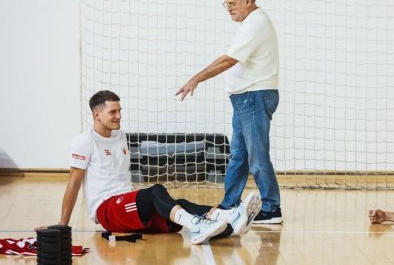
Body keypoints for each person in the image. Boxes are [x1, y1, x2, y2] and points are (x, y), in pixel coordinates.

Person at [59, 90, 262, 245]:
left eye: (120, 110)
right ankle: (198, 226)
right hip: (106, 210)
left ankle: (230, 220)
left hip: (126, 204)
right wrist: (62, 226)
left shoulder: (120, 136)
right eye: (113, 112)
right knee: (156, 191)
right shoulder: (83, 142)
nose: (119, 116)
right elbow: (74, 183)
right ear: (96, 115)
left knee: (178, 205)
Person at [176, 0, 282, 224]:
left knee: (257, 156)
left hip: (254, 97)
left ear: (248, 1)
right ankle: (230, 203)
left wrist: (196, 79)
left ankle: (272, 208)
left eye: (232, 4)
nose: (229, 8)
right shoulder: (250, 23)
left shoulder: (256, 23)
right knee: (238, 155)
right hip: (245, 98)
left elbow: (228, 60)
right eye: (226, 4)